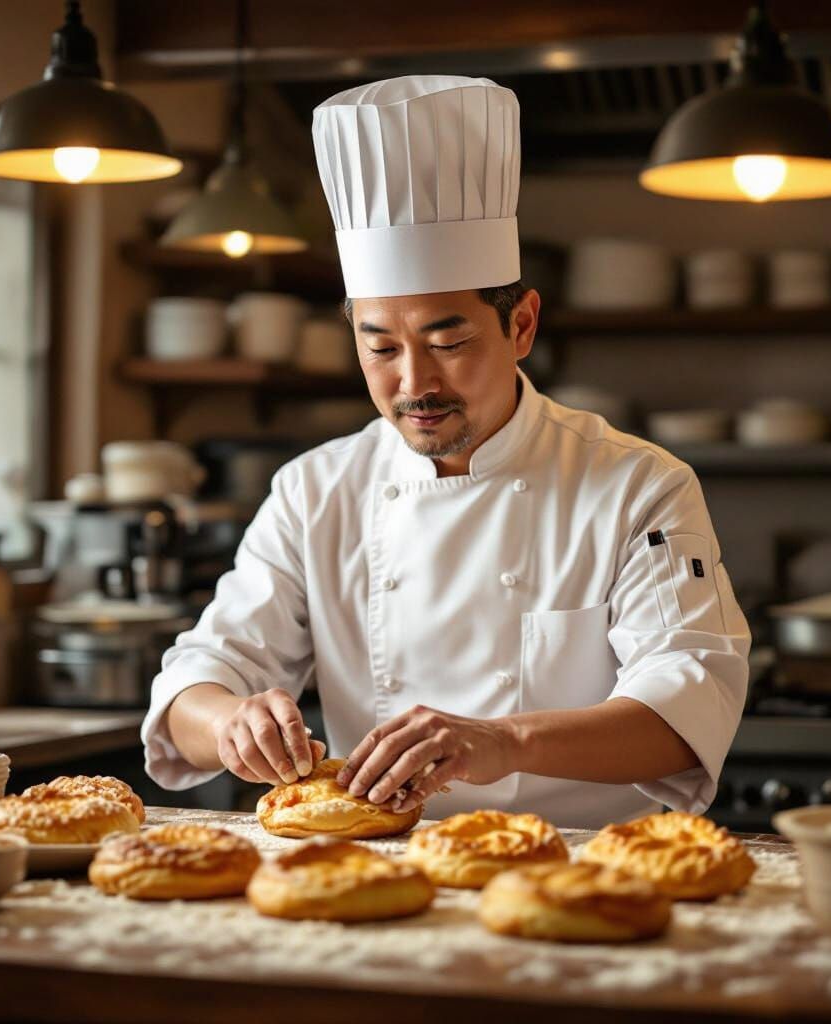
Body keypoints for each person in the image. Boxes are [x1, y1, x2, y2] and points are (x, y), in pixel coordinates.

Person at [141, 75, 750, 828]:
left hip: (584, 874)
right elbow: (193, 689)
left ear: (521, 326)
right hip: (368, 877)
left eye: (449, 341)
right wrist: (233, 723)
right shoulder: (314, 491)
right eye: (380, 347)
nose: (414, 382)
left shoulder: (635, 485)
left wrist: (503, 740)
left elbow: (688, 706)